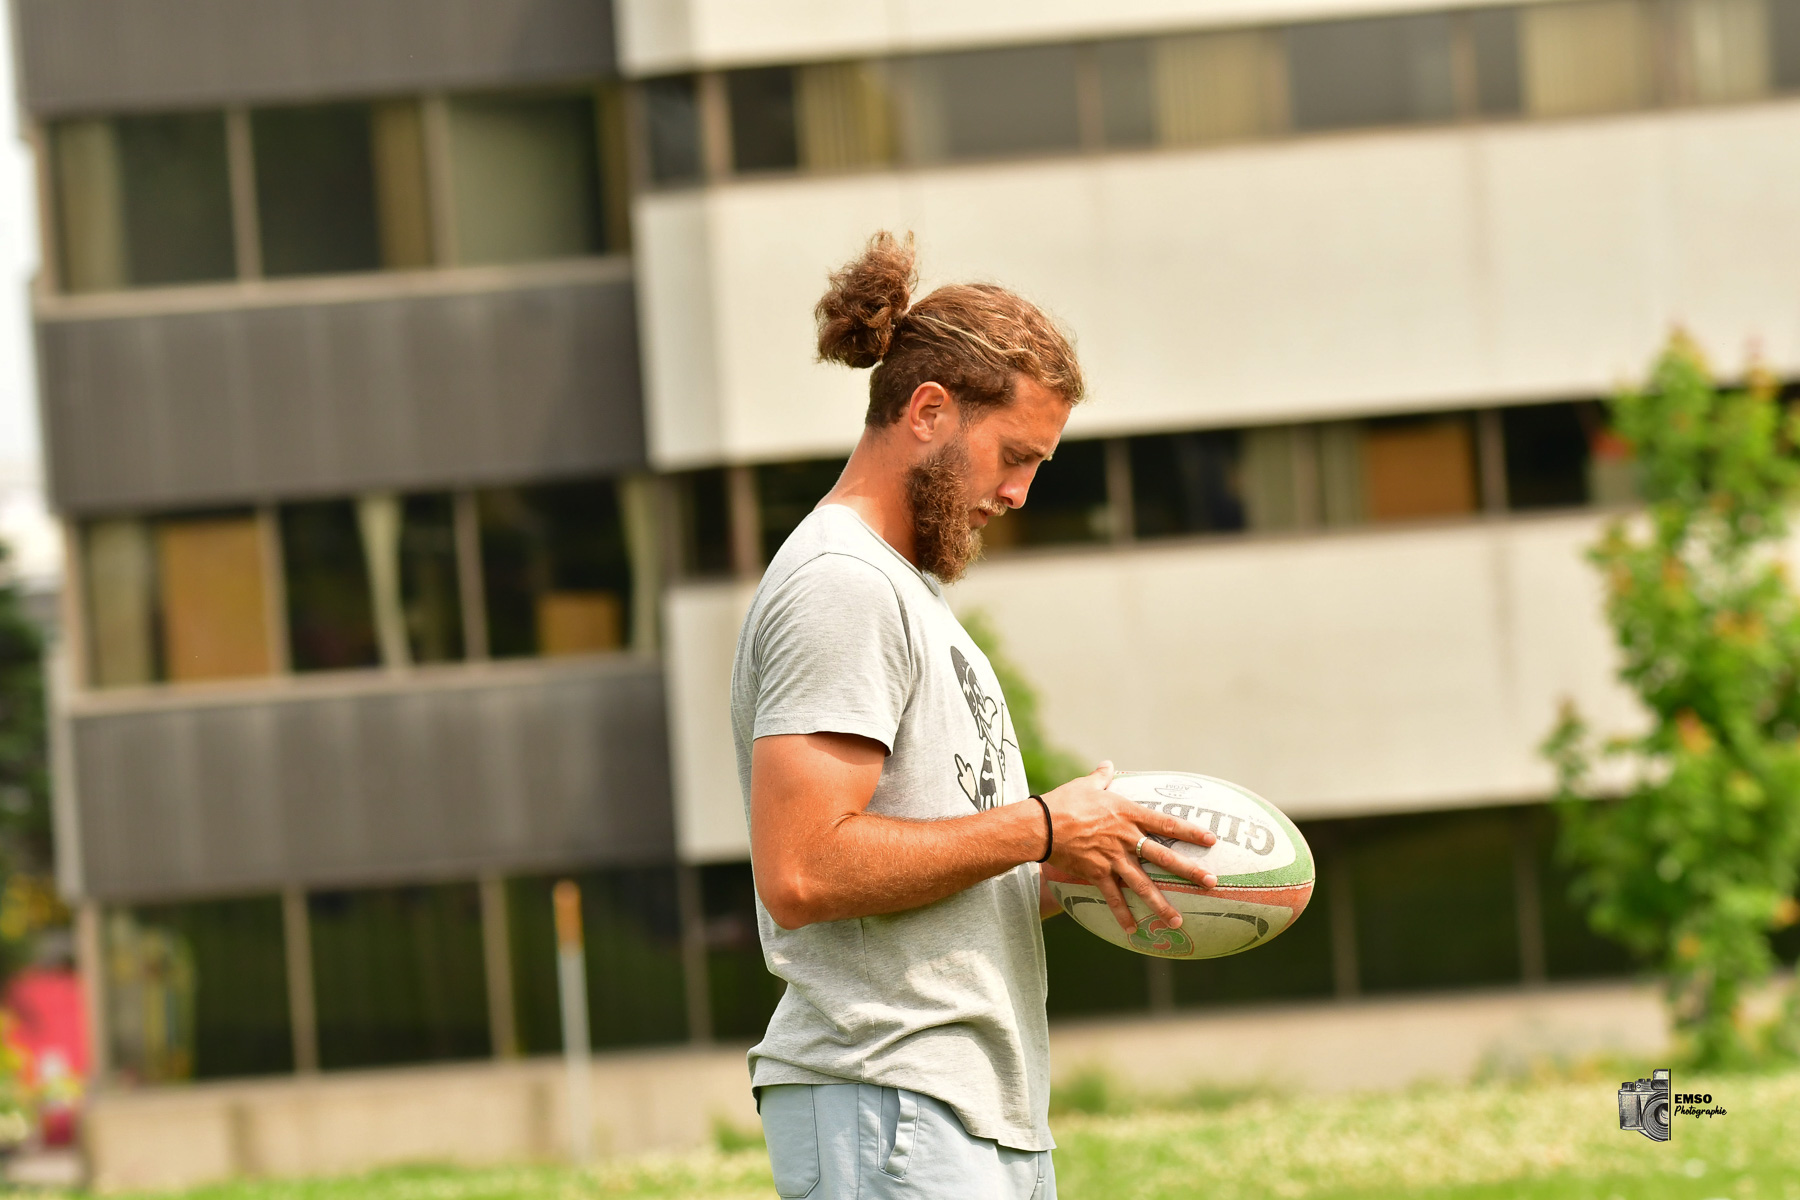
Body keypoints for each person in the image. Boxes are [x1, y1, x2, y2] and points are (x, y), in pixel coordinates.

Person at [732, 232, 1221, 1199]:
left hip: (965, 1113)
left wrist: (1077, 861)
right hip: (892, 1096)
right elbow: (801, 868)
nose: (1018, 492)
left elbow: (927, 864)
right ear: (928, 411)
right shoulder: (841, 584)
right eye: (1014, 456)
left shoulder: (909, 596)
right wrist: (1041, 825)